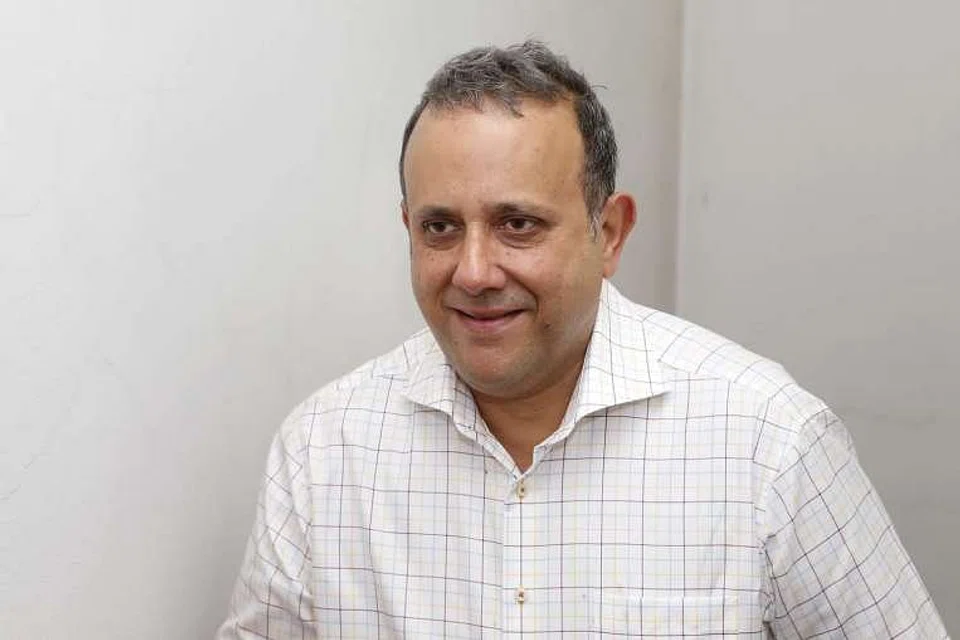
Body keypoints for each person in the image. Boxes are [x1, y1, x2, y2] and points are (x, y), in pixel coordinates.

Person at [217, 41, 946, 638]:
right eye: (440, 227)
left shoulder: (768, 441)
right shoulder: (323, 452)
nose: (474, 272)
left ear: (610, 233)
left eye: (518, 225)